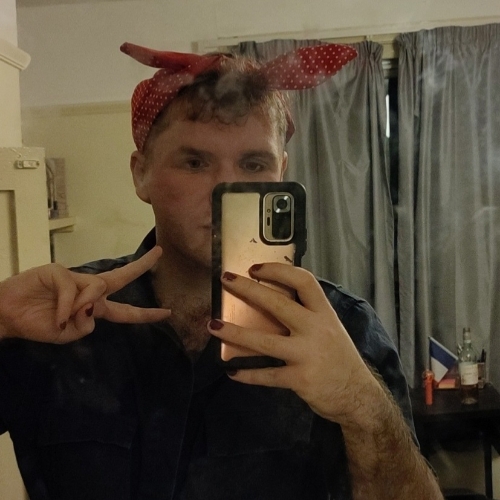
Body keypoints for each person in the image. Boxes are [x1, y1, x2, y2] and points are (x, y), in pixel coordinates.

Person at [0, 42, 443, 500]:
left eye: (253, 163)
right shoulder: (63, 316)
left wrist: (362, 406)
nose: (225, 190)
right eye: (195, 162)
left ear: (281, 172)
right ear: (141, 174)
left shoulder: (346, 329)